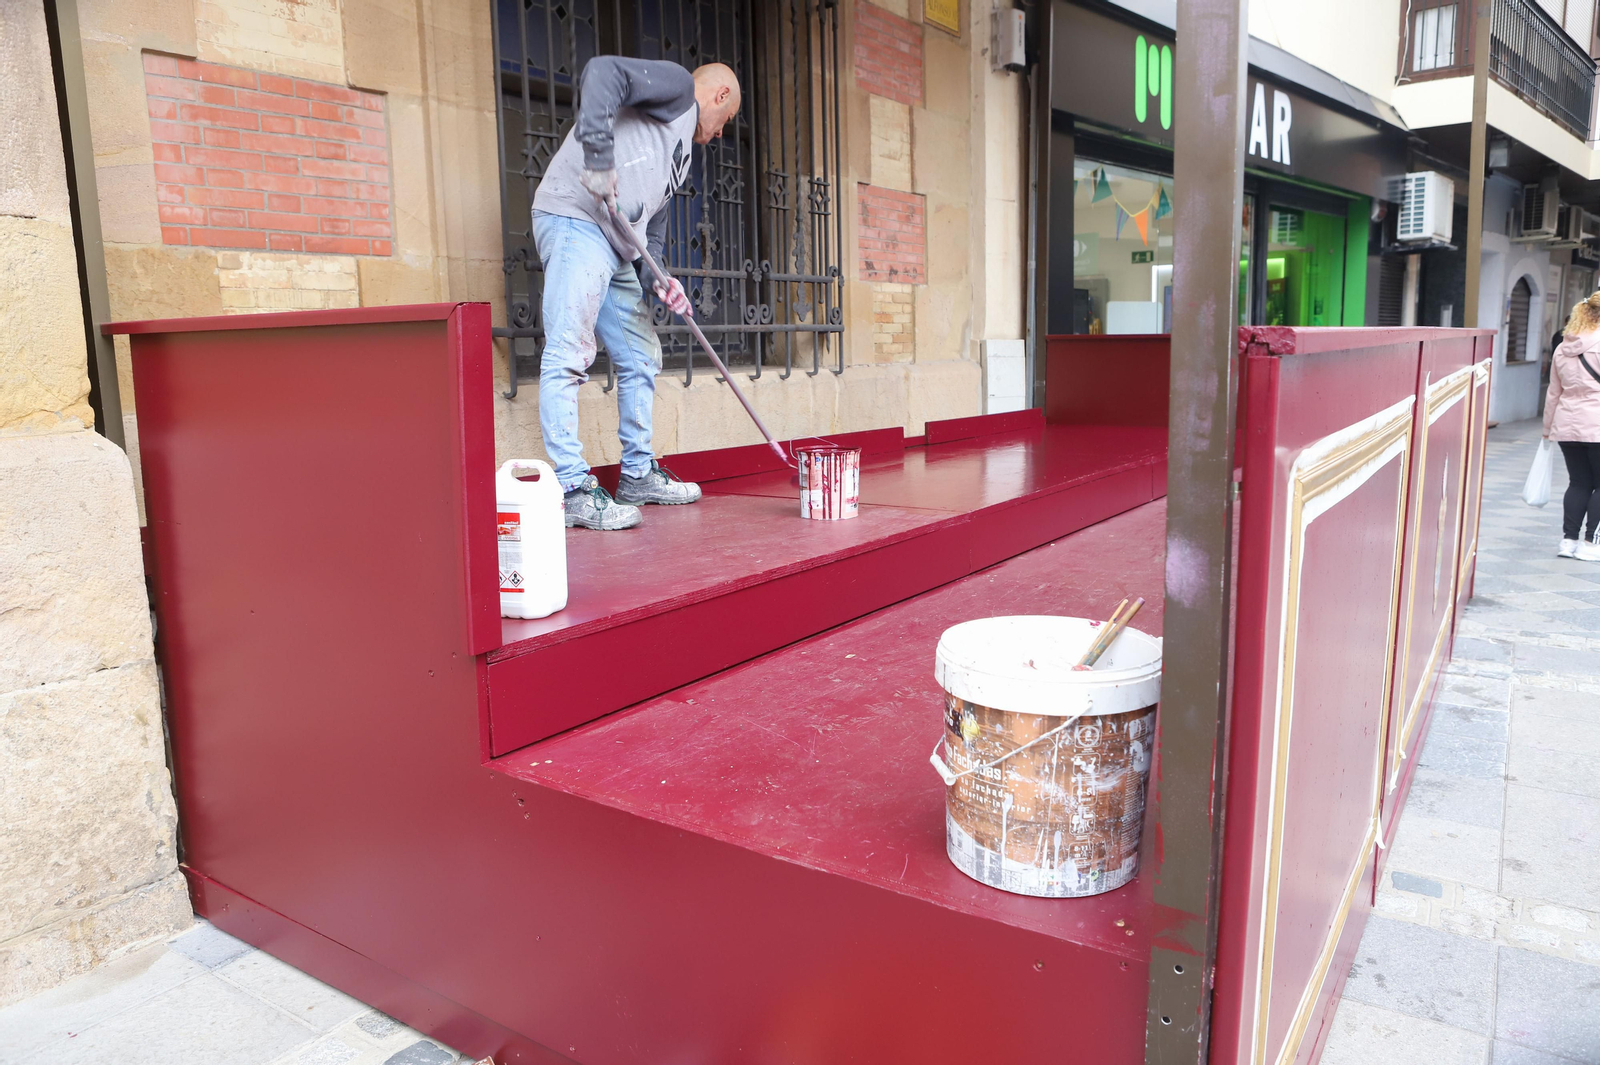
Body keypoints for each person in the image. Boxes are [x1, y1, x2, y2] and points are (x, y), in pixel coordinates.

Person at [530, 57, 741, 530]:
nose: (722, 134)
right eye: (725, 123)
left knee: (642, 355)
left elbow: (650, 235)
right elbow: (603, 72)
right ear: (720, 96)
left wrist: (662, 280)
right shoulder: (677, 87)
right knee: (570, 351)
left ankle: (638, 475)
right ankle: (572, 490)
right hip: (577, 221)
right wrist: (599, 161)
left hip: (616, 244)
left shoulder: (679, 154)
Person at [1545, 292, 1600, 560]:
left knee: (1578, 482)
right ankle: (1590, 544)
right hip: (1598, 424)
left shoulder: (1562, 348)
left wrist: (1547, 428)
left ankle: (1568, 542)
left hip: (1567, 423)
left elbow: (1553, 393)